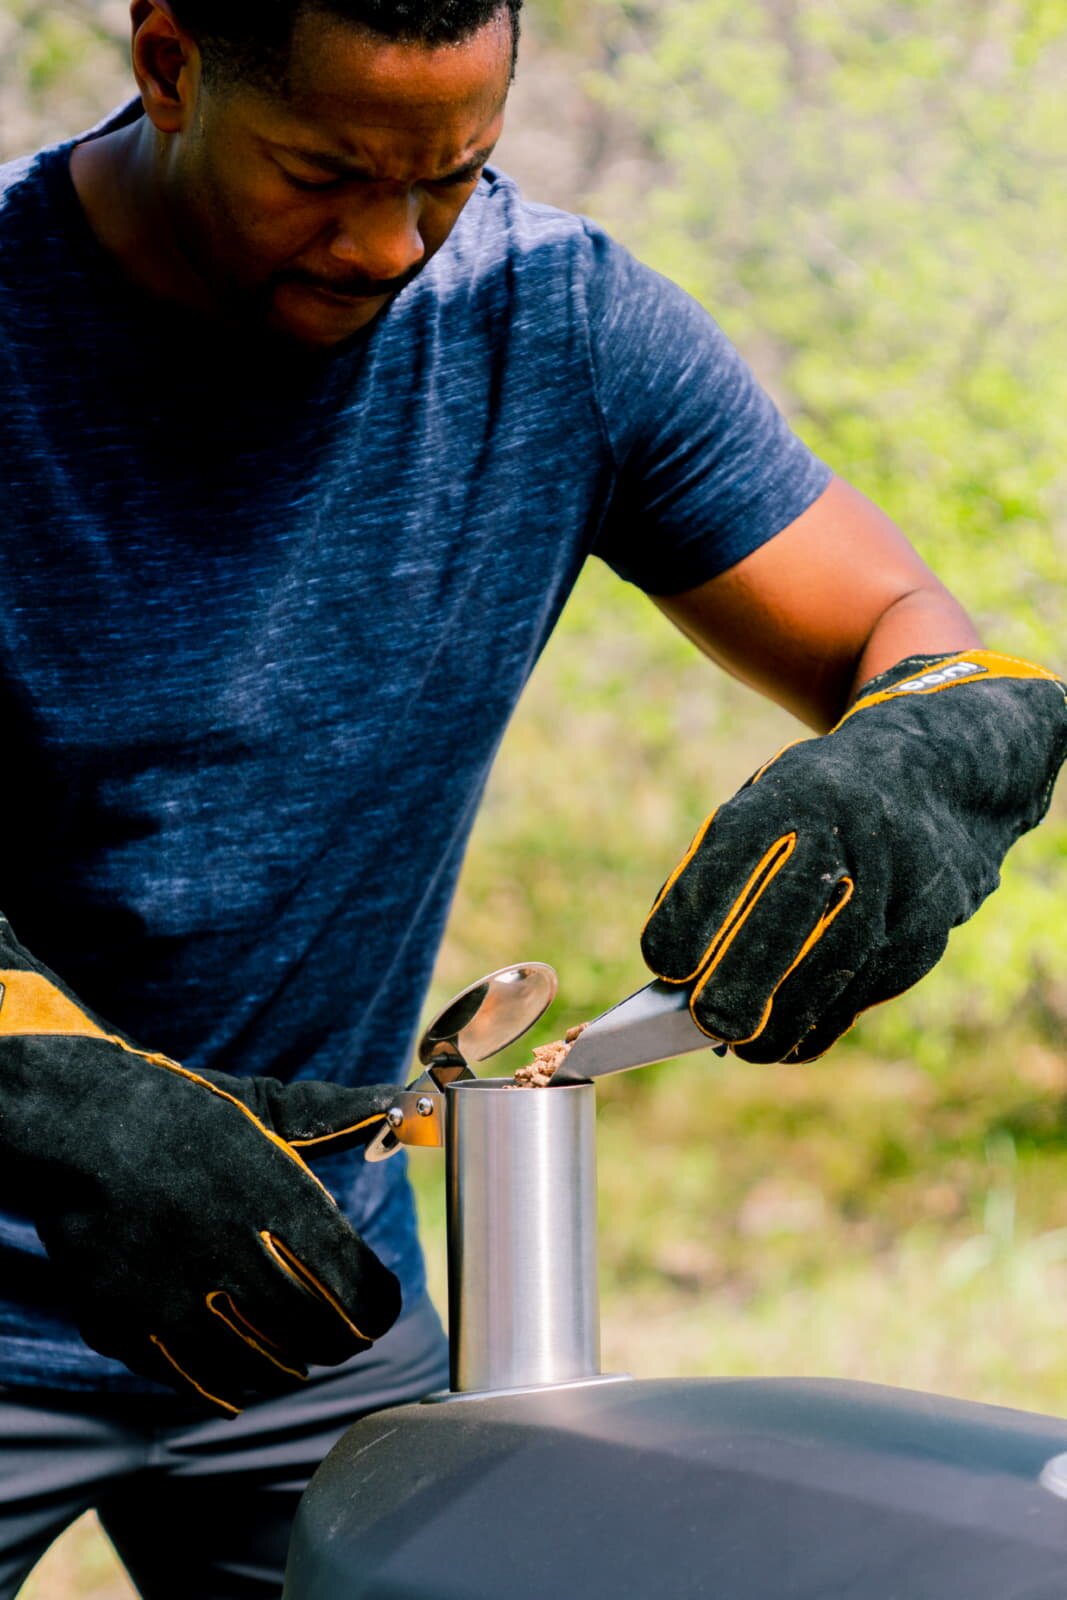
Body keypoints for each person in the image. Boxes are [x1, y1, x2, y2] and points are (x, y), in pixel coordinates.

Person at [0, 0, 1063, 1593]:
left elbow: (896, 636)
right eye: (324, 171)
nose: (388, 244)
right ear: (167, 61)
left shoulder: (555, 322)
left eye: (448, 175)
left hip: (313, 1290)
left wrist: (919, 761)